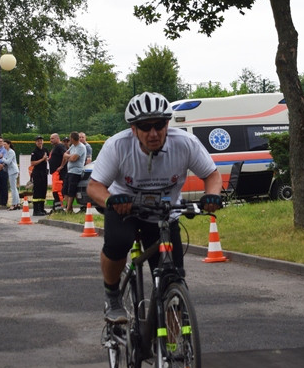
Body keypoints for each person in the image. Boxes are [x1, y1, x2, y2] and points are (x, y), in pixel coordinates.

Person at [87, 92, 223, 323]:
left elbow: (211, 174)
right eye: (145, 126)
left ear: (167, 123)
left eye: (159, 125)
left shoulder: (184, 143)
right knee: (119, 243)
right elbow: (94, 186)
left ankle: (172, 349)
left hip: (164, 213)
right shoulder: (117, 146)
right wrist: (111, 200)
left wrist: (211, 196)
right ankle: (112, 295)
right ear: (134, 129)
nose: (153, 133)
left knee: (173, 278)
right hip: (125, 209)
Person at [60, 131, 86, 214]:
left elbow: (73, 159)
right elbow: (65, 154)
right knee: (65, 190)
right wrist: (69, 156)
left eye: (70, 138)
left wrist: (69, 157)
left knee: (71, 191)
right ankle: (69, 208)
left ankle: (68, 209)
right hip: (69, 171)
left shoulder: (80, 147)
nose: (69, 140)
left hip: (76, 172)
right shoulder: (72, 146)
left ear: (72, 138)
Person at [29, 136, 50, 215]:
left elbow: (48, 159)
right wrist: (42, 159)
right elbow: (33, 163)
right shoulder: (34, 152)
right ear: (36, 142)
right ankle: (36, 210)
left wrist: (46, 159)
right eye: (38, 141)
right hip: (37, 173)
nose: (40, 142)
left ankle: (42, 209)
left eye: (41, 140)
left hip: (44, 172)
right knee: (37, 191)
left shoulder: (45, 150)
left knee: (43, 190)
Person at [48, 133, 67, 208]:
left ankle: (60, 207)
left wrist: (61, 166)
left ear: (57, 138)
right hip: (55, 173)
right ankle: (57, 207)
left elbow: (65, 156)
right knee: (55, 191)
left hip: (59, 173)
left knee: (58, 191)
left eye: (52, 138)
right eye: (50, 138)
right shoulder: (56, 147)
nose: (51, 140)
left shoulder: (60, 146)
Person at [1, 139, 21, 209]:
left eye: (5, 144)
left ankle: (13, 204)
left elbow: (8, 162)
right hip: (11, 171)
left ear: (9, 144)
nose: (4, 145)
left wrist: (2, 158)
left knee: (13, 188)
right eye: (3, 144)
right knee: (14, 188)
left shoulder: (11, 152)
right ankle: (17, 203)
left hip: (13, 171)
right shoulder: (7, 152)